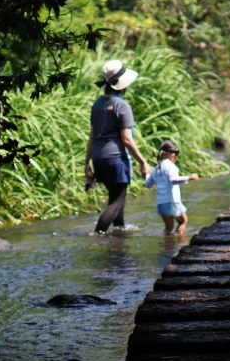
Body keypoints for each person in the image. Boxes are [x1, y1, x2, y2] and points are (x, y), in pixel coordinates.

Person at [85, 60, 151, 234]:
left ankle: (119, 230)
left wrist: (87, 163)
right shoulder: (122, 106)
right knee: (118, 201)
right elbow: (127, 140)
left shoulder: (97, 104)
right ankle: (98, 233)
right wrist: (143, 162)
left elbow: (92, 136)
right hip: (115, 159)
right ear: (123, 85)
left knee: (114, 196)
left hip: (98, 159)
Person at [144, 140, 198, 234]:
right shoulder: (170, 166)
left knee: (169, 228)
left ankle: (168, 246)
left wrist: (146, 174)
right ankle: (181, 244)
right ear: (172, 154)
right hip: (172, 202)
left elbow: (147, 184)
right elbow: (173, 180)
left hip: (161, 204)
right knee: (183, 221)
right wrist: (189, 177)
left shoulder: (156, 168)